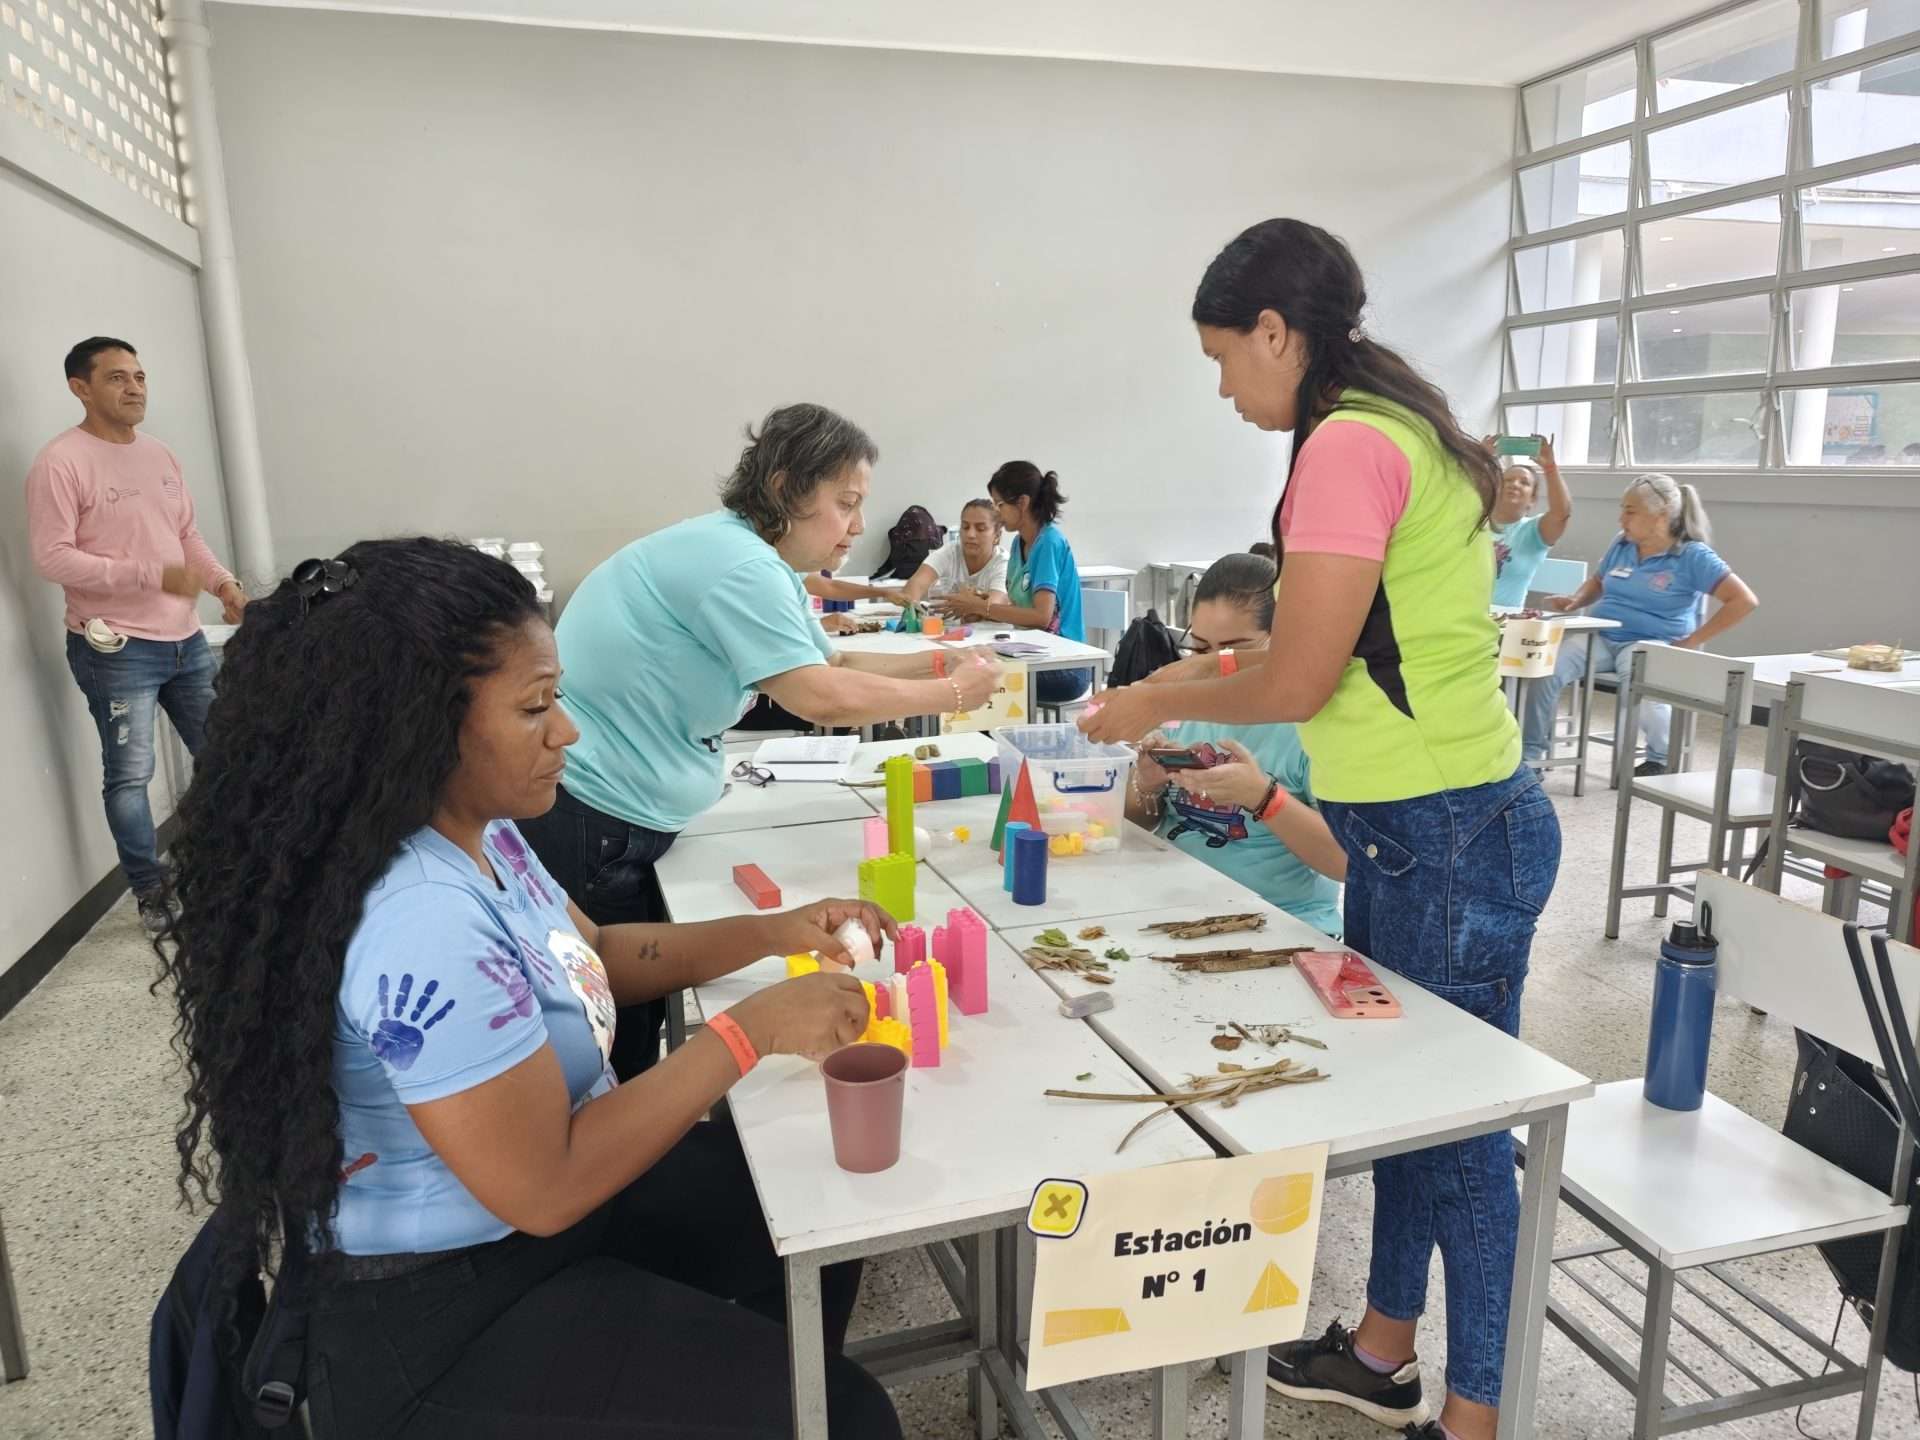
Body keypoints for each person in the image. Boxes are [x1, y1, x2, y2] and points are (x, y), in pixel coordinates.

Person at [156, 538, 902, 1439]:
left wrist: (778, 931)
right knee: (847, 1419)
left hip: (544, 1222)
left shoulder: (481, 828)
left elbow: (599, 954)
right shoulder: (420, 919)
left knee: (815, 1219)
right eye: (537, 707)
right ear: (420, 727)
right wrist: (746, 1034)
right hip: (447, 1302)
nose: (568, 731)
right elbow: (543, 1185)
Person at [1080, 218, 1560, 1440]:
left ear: (1279, 333)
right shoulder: (1402, 424)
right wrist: (1165, 693)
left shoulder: (1347, 444)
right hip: (1431, 824)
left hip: (1444, 828)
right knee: (1412, 1098)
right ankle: (1384, 1347)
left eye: (1225, 357)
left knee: (1459, 1138)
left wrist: (1154, 696)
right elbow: (1322, 657)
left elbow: (1295, 680)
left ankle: (1476, 1415)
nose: (1225, 385)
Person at [519, 404, 996, 1079]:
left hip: (613, 817)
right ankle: (621, 1165)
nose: (859, 526)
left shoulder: (743, 554)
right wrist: (951, 698)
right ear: (783, 489)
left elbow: (828, 664)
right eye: (845, 503)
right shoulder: (740, 565)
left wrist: (945, 665)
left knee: (634, 1016)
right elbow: (816, 696)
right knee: (613, 1043)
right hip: (594, 822)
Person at [25, 336, 247, 935]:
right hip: (116, 648)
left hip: (185, 640)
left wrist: (223, 585)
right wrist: (145, 574)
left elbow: (186, 539)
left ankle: (235, 869)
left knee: (228, 755)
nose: (135, 388)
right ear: (81, 387)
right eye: (118, 378)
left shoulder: (160, 456)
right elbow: (52, 557)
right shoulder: (61, 461)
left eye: (140, 377)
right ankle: (151, 891)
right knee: (130, 775)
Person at [1124, 554, 1345, 937]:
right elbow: (1138, 822)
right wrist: (1146, 781)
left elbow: (1345, 863)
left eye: (1232, 653)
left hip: (1276, 925)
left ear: (1282, 642)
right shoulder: (1181, 703)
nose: (1209, 668)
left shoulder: (1312, 724)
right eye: (1199, 650)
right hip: (1172, 910)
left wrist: (1264, 798)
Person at [1523, 474, 1758, 778]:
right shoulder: (1622, 544)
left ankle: (1660, 757)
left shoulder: (1692, 555)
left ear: (1661, 515)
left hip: (1653, 641)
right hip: (1603, 635)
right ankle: (1531, 757)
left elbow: (1744, 601)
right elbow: (1598, 580)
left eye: (1630, 511)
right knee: (1545, 668)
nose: (1621, 518)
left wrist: (1692, 641)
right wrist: (1575, 600)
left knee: (1642, 684)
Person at [940, 462, 1089, 708]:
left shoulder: (1048, 543)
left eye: (1000, 504)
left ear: (1022, 502)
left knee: (973, 678)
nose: (997, 513)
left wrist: (982, 607)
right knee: (961, 665)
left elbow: (1041, 617)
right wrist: (979, 603)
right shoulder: (1020, 544)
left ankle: (985, 743)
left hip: (1064, 666)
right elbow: (1017, 607)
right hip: (1032, 653)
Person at [1487, 437, 1572, 607]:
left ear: (1532, 499)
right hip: (1460, 618)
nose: (1514, 485)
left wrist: (1550, 467)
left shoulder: (1533, 532)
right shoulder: (1475, 523)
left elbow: (1561, 513)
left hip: (1505, 624)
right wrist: (1480, 459)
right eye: (1507, 480)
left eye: (1524, 482)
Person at [902, 498, 1010, 608]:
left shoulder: (1003, 562)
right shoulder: (950, 552)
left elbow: (995, 606)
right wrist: (913, 607)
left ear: (997, 536)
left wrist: (969, 605)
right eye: (965, 527)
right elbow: (915, 585)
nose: (970, 534)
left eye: (981, 529)